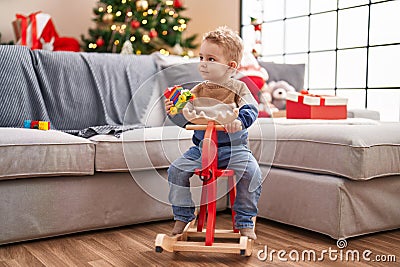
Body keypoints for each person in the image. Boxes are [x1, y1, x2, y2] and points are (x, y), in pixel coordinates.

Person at [164, 26, 262, 240]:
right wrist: (174, 110)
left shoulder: (239, 88)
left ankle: (245, 220)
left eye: (210, 59)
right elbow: (187, 115)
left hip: (233, 149)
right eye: (201, 57)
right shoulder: (198, 90)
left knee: (252, 173)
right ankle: (183, 215)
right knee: (176, 171)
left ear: (230, 66)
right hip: (201, 149)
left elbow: (251, 108)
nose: (203, 63)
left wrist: (239, 121)